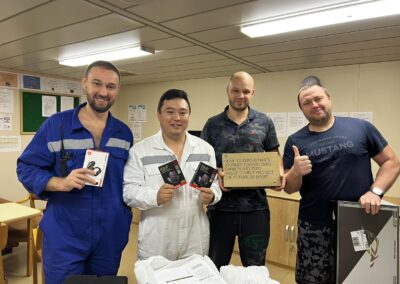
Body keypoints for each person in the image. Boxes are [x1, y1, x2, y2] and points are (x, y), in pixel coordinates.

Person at [17, 61, 133, 284]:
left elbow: (129, 179)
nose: (103, 92)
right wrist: (59, 182)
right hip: (65, 233)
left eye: (111, 86)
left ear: (118, 89)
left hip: (110, 234)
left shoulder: (124, 133)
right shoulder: (56, 125)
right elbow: (26, 167)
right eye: (97, 84)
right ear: (84, 84)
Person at [283, 77, 400, 284]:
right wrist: (295, 171)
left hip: (359, 221)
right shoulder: (295, 140)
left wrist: (376, 192)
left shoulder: (361, 128)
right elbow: (290, 188)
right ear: (302, 109)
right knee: (312, 279)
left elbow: (391, 162)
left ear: (329, 99)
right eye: (307, 103)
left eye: (318, 99)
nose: (314, 105)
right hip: (314, 225)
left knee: (359, 276)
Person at [123, 89, 222, 261]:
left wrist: (212, 196)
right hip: (158, 237)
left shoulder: (205, 149)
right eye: (170, 112)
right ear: (159, 115)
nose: (177, 117)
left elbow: (214, 185)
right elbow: (128, 192)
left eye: (182, 112)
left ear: (189, 115)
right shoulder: (140, 151)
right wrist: (155, 196)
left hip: (195, 235)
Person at [201, 71, 284, 269]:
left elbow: (275, 156)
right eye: (236, 90)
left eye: (246, 91)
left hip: (255, 210)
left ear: (253, 92)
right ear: (228, 90)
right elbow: (202, 164)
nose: (240, 95)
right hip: (220, 210)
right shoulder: (212, 125)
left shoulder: (264, 122)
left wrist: (278, 174)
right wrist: (216, 175)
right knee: (215, 265)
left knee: (255, 267)